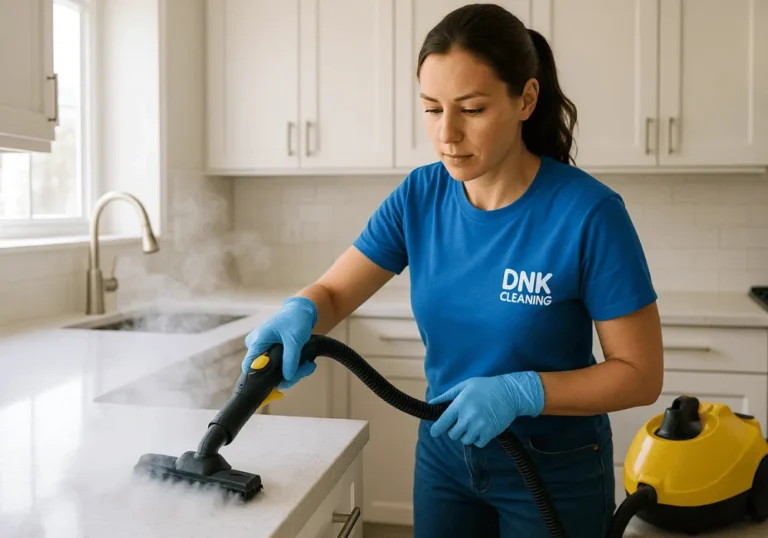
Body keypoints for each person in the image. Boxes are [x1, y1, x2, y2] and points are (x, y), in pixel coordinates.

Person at [241, 4, 664, 538]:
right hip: (445, 456)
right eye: (431, 109)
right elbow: (333, 292)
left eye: (472, 109)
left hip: (553, 468)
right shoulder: (420, 196)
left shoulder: (588, 214)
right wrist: (299, 312)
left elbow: (640, 374)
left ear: (526, 99)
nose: (447, 133)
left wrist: (522, 392)